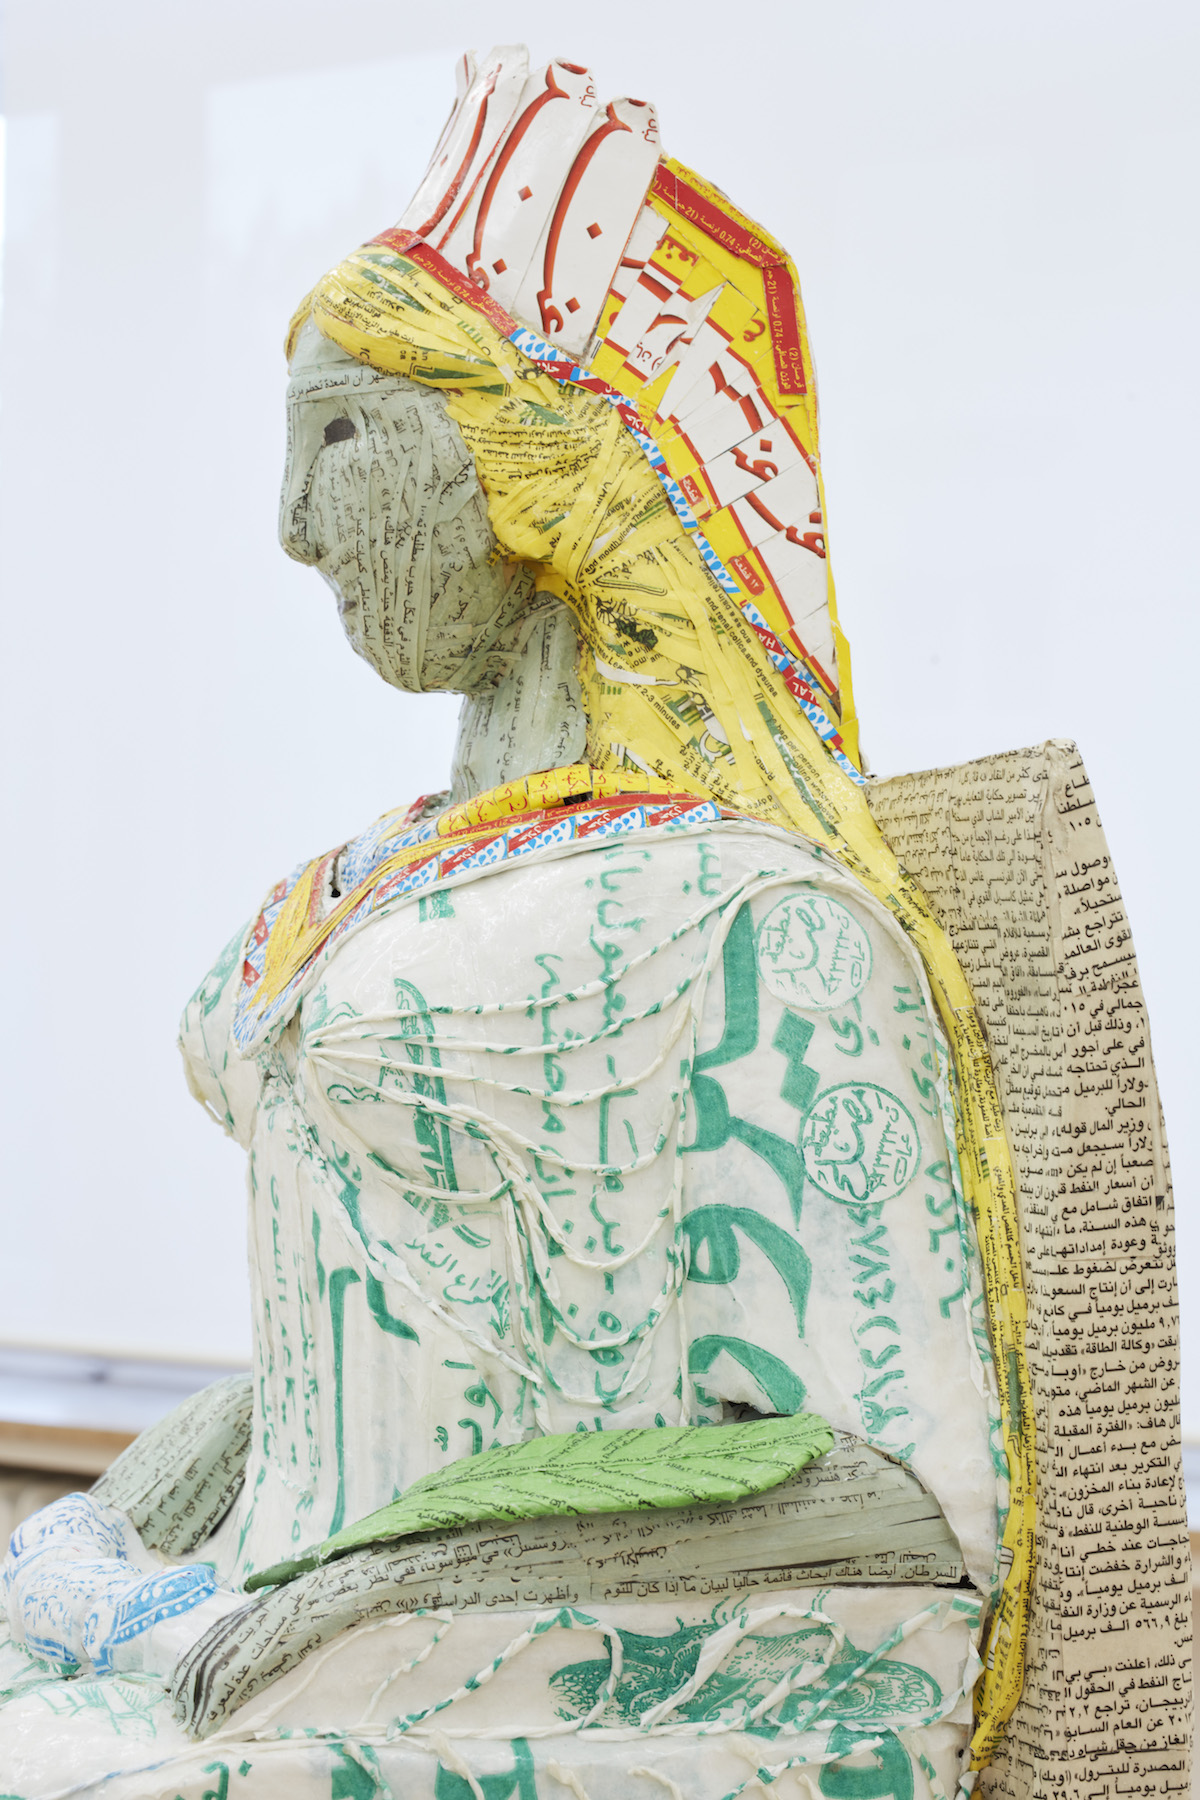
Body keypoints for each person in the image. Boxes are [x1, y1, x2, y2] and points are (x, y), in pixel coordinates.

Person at [0, 49, 1029, 1798]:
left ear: (533, 462)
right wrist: (132, 1526)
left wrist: (398, 1583)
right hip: (295, 1637)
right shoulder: (404, 877)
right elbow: (355, 1374)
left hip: (573, 1679)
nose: (290, 525)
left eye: (346, 437)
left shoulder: (754, 915)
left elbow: (900, 1493)